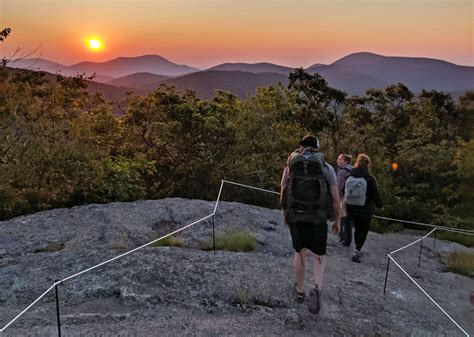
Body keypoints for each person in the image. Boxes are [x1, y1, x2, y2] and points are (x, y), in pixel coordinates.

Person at [280, 135, 340, 318]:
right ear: (317, 148)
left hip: (296, 215)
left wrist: (284, 212)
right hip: (318, 216)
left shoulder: (291, 165)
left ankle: (299, 291)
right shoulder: (326, 167)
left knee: (300, 252)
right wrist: (337, 220)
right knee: (319, 255)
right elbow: (336, 199)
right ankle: (317, 288)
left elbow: (283, 189)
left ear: (301, 147)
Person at [345, 153, 383, 263]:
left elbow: (345, 190)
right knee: (364, 230)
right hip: (365, 208)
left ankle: (356, 248)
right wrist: (380, 205)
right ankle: (357, 251)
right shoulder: (369, 178)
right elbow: (374, 194)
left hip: (352, 207)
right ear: (367, 164)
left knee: (357, 228)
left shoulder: (350, 175)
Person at [336, 154, 353, 246]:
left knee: (341, 219)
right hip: (352, 199)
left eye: (340, 159)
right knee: (348, 220)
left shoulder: (342, 172)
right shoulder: (352, 169)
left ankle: (343, 238)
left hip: (342, 199)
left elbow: (338, 187)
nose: (338, 161)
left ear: (346, 161)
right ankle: (348, 239)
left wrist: (336, 200)